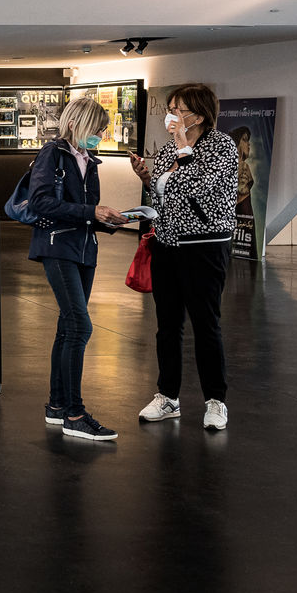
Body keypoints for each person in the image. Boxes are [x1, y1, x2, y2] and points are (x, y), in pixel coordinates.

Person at [130, 84, 239, 431]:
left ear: (200, 116)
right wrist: (148, 180)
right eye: (171, 108)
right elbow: (165, 197)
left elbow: (197, 187)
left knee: (206, 324)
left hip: (204, 246)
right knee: (167, 324)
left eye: (179, 110)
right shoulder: (166, 150)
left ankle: (216, 401)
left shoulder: (221, 146)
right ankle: (168, 396)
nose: (172, 116)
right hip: (167, 244)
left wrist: (183, 146)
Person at [25, 97, 129, 441]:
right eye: (97, 128)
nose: (101, 134)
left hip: (84, 250)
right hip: (57, 248)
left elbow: (85, 209)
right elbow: (41, 201)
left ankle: (57, 406)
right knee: (80, 327)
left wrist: (108, 220)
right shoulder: (52, 154)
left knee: (68, 327)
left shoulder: (90, 161)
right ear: (75, 124)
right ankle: (75, 414)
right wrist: (91, 212)